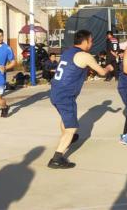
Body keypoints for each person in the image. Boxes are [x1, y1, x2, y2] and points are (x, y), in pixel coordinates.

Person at [46, 30, 114, 169]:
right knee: (72, 127)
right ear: (85, 41)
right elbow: (102, 72)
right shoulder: (85, 56)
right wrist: (109, 67)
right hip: (66, 95)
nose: (92, 43)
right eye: (91, 41)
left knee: (66, 119)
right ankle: (57, 159)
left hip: (55, 92)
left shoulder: (67, 52)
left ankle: (67, 138)